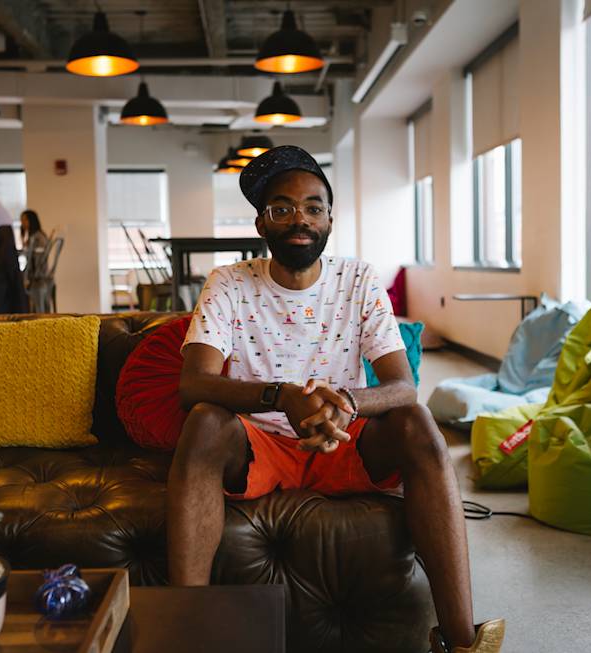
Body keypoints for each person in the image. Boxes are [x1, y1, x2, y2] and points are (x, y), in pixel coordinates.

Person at [170, 146, 505, 653]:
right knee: (203, 421)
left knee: (417, 420)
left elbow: (402, 386)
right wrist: (282, 397)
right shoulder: (229, 283)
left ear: (330, 219)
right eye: (282, 208)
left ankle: (461, 642)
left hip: (344, 442)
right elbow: (194, 383)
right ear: (261, 223)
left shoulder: (358, 279)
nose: (299, 219)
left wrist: (344, 402)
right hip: (259, 446)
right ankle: (185, 633)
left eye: (313, 207)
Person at [20, 209, 49, 285]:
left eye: (25, 220)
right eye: (21, 220)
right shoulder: (32, 237)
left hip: (38, 276)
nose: (22, 223)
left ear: (31, 220)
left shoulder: (38, 237)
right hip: (33, 274)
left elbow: (37, 260)